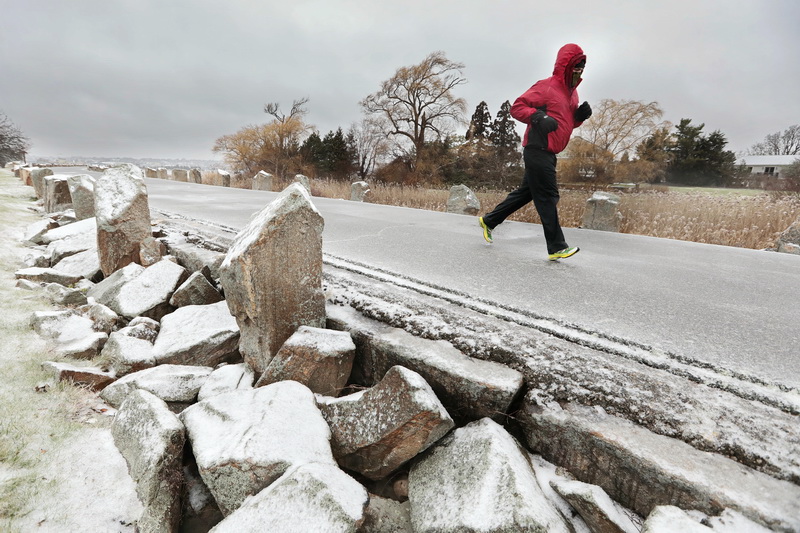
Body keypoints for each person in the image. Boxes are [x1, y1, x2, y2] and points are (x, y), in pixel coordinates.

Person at [479, 43, 592, 261]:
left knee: (527, 193)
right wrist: (538, 117)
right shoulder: (546, 86)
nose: (579, 71)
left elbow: (564, 124)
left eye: (582, 68)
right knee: (548, 196)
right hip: (536, 149)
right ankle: (556, 246)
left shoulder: (573, 94)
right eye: (576, 67)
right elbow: (517, 107)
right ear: (565, 65)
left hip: (550, 152)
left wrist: (579, 117)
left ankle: (489, 220)